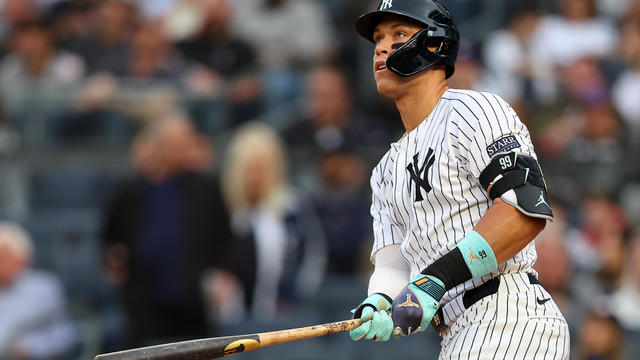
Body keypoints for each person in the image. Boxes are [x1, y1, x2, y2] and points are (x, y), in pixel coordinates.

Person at [348, 1, 570, 359]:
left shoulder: (474, 110)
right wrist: (381, 299)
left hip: (507, 317)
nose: (381, 47)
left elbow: (523, 210)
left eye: (399, 34)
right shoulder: (385, 170)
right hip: (457, 333)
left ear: (435, 44)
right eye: (377, 38)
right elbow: (393, 266)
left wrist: (433, 281)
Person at [101, 113, 235, 346]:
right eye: (175, 143)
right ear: (159, 145)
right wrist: (112, 257)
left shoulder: (206, 187)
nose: (182, 149)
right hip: (144, 304)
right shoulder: (131, 190)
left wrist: (223, 275)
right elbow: (110, 237)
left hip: (194, 303)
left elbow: (226, 238)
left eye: (185, 142)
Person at [0, 222, 77, 359]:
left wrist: (30, 347)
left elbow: (64, 335)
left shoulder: (43, 288)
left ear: (22, 258)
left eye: (4, 256)